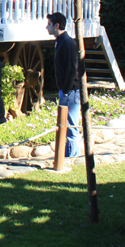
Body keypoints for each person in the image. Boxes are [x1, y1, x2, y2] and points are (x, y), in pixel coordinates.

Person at [46, 11, 81, 158]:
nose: (47, 27)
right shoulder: (59, 41)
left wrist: (66, 90)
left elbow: (72, 68)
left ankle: (71, 158)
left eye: (49, 24)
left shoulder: (67, 42)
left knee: (71, 127)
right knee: (64, 126)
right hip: (65, 90)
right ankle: (65, 156)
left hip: (71, 91)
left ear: (57, 25)